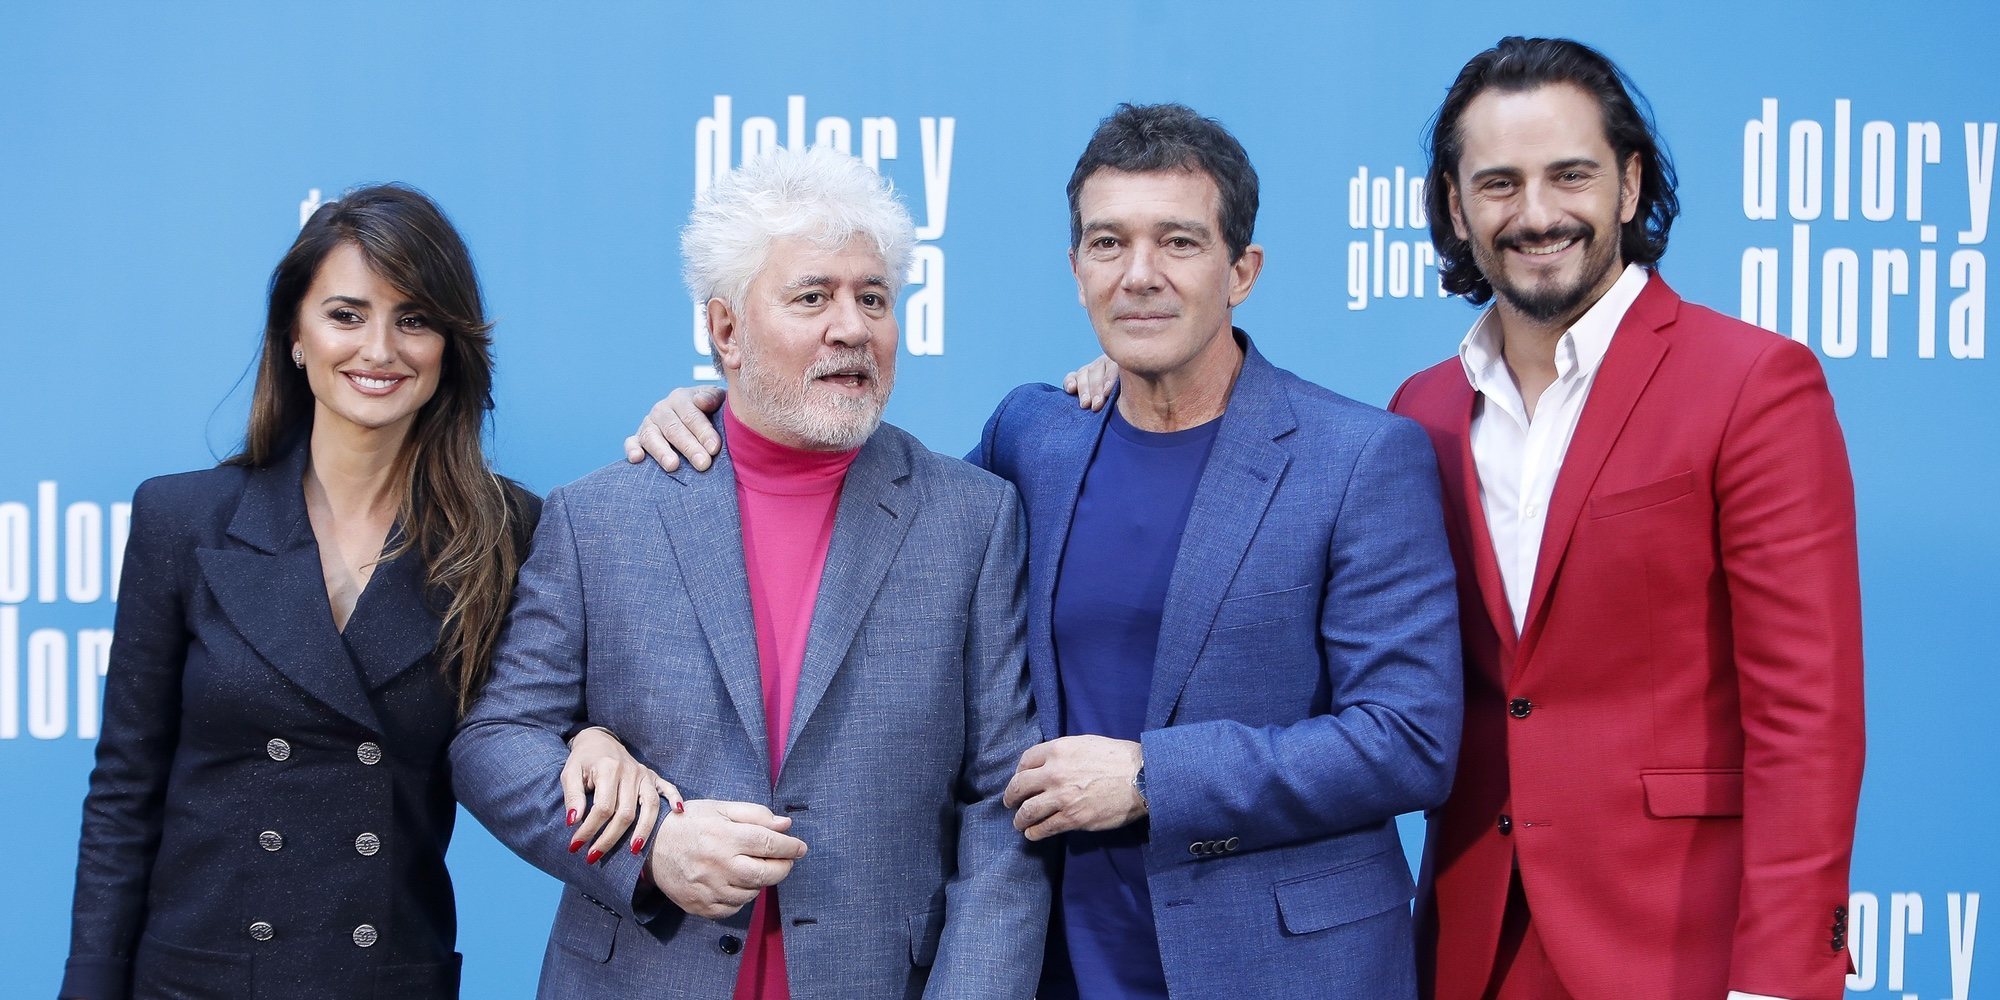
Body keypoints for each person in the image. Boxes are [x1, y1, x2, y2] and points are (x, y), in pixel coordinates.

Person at [629, 105, 1463, 1000]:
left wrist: (1153, 777)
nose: (1140, 275)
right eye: (1109, 244)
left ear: (1242, 270)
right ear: (1076, 271)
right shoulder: (1037, 436)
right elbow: (877, 539)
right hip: (1061, 964)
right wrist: (728, 409)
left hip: (1283, 967)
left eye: (1177, 243)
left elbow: (1408, 740)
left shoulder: (1359, 456)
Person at [450, 146, 1049, 1000]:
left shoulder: (973, 518)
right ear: (725, 329)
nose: (852, 327)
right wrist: (649, 847)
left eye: (872, 298)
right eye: (813, 297)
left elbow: (1002, 798)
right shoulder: (602, 516)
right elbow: (495, 740)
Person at [61, 185, 663, 1000]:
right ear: (296, 338)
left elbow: (535, 716)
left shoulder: (509, 530)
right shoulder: (183, 519)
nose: (379, 349)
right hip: (197, 979)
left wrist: (594, 737)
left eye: (413, 320)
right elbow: (124, 793)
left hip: (384, 976)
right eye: (346, 315)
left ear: (449, 346)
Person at [1386, 38, 1864, 1000]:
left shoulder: (1753, 384)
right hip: (1474, 944)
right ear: (1453, 207)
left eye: (1571, 175)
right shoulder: (1420, 411)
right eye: (1499, 184)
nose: (1537, 214)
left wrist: (1777, 980)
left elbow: (1806, 718)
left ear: (1630, 184)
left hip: (1679, 945)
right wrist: (1134, 385)